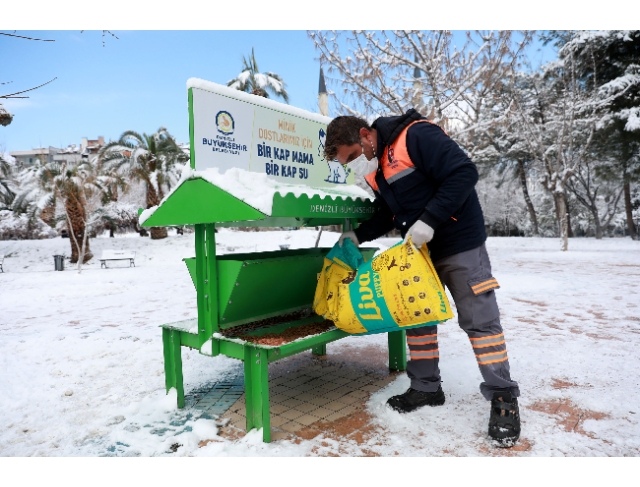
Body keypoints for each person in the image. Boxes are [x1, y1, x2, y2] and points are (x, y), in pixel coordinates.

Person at [324, 109, 521, 447]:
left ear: (364, 134)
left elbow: (463, 173)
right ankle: (426, 388)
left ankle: (503, 396)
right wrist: (358, 236)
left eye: (353, 156)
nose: (354, 164)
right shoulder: (379, 170)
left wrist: (429, 219)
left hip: (458, 242)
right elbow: (388, 213)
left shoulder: (414, 136)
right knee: (416, 314)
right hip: (419, 252)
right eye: (347, 163)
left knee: (479, 319)